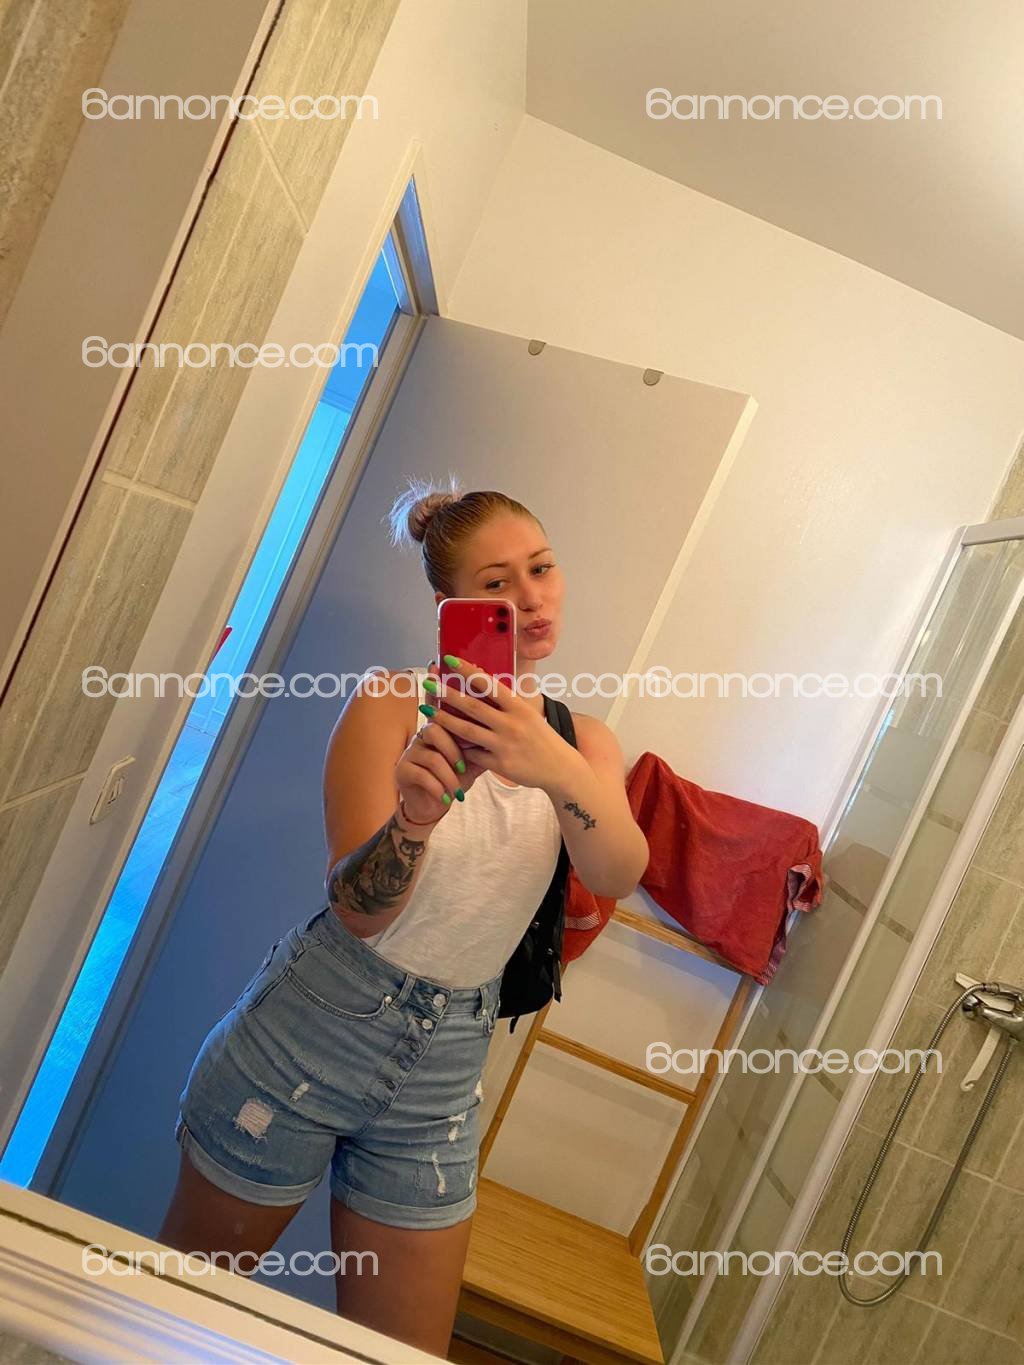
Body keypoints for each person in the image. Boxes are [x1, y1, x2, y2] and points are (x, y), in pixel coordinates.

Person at [158, 477, 649, 1355]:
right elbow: (356, 912)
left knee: (403, 1353)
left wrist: (553, 764)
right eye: (496, 584)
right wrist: (414, 823)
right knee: (171, 1316)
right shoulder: (390, 702)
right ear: (452, 608)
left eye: (541, 568)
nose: (530, 597)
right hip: (314, 1029)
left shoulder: (585, 743)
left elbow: (618, 867)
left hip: (446, 1068)